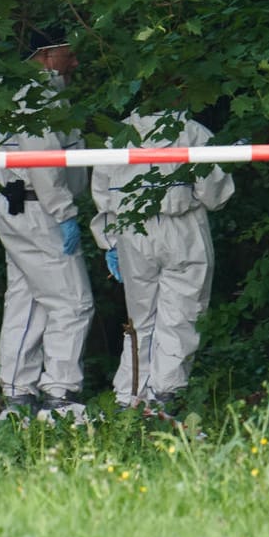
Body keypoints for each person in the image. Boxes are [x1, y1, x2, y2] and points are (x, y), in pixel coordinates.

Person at [89, 108, 234, 412]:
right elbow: (214, 195)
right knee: (181, 314)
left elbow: (102, 194)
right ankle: (165, 396)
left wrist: (109, 242)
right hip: (182, 227)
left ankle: (128, 395)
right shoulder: (192, 131)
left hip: (132, 231)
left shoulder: (118, 135)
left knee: (141, 319)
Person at [0, 30, 93, 421]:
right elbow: (45, 163)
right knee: (73, 302)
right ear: (48, 55)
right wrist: (65, 213)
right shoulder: (37, 97)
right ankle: (60, 397)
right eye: (70, 54)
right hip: (40, 210)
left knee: (28, 301)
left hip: (19, 207)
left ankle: (17, 396)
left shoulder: (13, 91)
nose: (75, 63)